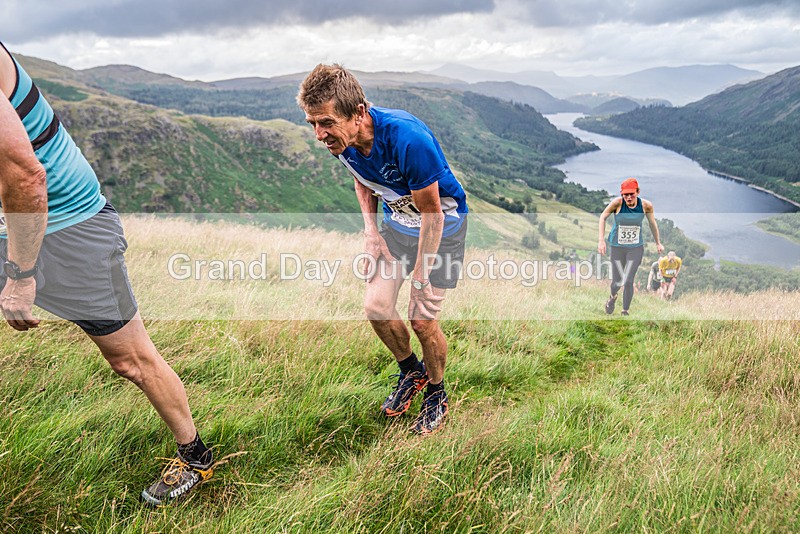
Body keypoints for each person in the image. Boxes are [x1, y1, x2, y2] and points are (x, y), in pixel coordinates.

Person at [0, 43, 212, 506]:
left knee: (131, 361)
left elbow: (27, 175)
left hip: (72, 231)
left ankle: (195, 458)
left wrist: (20, 275)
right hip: (13, 225)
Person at [297, 64, 468, 435]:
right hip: (397, 226)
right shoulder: (341, 140)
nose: (318, 134)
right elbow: (363, 179)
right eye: (312, 123)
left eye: (325, 122)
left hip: (442, 227)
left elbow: (433, 214)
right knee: (375, 307)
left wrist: (422, 277)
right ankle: (412, 372)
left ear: (358, 113)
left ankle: (437, 393)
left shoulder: (408, 139)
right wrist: (371, 232)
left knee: (422, 319)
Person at [598, 177, 664, 316]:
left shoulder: (646, 206)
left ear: (638, 192)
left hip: (635, 247)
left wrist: (658, 242)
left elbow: (653, 224)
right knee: (617, 282)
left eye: (631, 194)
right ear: (622, 194)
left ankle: (625, 311)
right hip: (617, 247)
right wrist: (601, 241)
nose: (628, 197)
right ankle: (612, 297)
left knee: (628, 280)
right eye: (625, 194)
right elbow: (603, 217)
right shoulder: (617, 203)